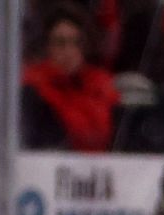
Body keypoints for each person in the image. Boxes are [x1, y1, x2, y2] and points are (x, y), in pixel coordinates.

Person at [22, 4, 117, 153]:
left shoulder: (101, 83)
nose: (69, 51)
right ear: (47, 46)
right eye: (61, 43)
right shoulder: (33, 84)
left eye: (76, 42)